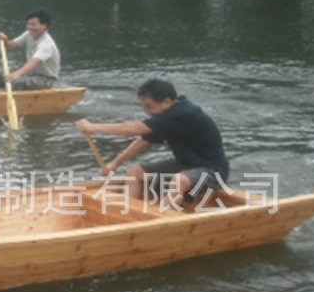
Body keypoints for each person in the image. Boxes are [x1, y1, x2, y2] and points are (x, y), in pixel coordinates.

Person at [75, 78, 229, 204]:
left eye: (149, 106)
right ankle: (129, 212)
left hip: (213, 171)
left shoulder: (182, 114)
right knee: (135, 172)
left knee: (179, 180)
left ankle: (162, 220)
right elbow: (144, 141)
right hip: (185, 164)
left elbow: (135, 129)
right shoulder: (168, 115)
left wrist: (93, 127)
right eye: (144, 106)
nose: (147, 111)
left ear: (167, 102)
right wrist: (116, 163)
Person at [0, 9, 60, 91]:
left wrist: (16, 74)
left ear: (44, 26)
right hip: (31, 74)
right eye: (29, 24)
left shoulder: (47, 44)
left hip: (45, 79)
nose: (30, 27)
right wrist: (5, 40)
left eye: (34, 25)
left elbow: (35, 62)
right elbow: (11, 45)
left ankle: (1, 95)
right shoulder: (29, 34)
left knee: (16, 82)